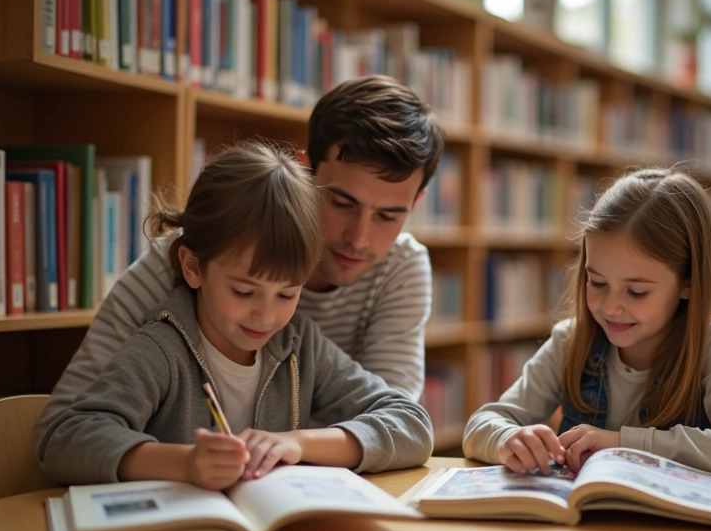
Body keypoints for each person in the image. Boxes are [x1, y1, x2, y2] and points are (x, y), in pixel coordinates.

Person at [35, 76, 443, 442]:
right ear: (303, 171)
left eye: (389, 216)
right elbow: (69, 421)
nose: (359, 237)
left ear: (416, 203)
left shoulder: (400, 270)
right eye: (341, 202)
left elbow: (390, 426)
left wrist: (293, 447)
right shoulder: (191, 254)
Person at [462, 168, 711, 484]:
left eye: (637, 291)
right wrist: (507, 439)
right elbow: (481, 424)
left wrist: (623, 444)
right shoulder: (570, 343)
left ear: (688, 284)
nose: (611, 307)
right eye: (597, 282)